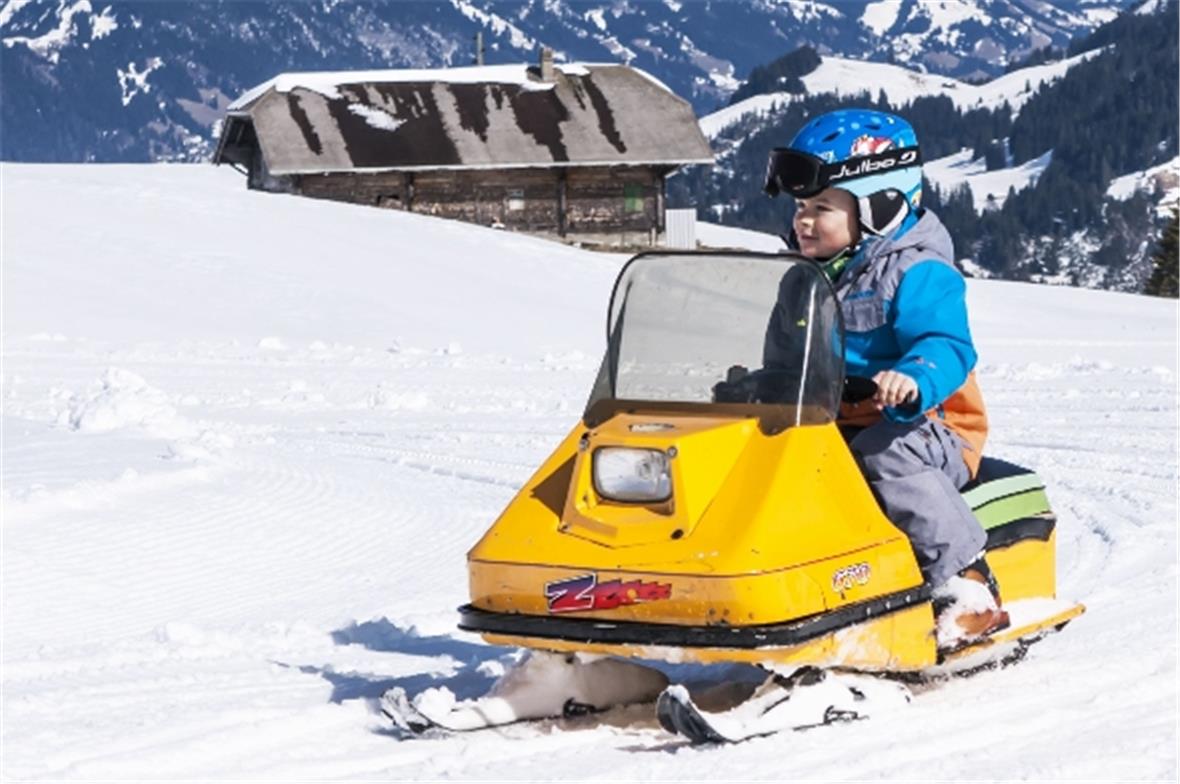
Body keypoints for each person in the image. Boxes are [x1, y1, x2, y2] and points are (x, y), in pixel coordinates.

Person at [762, 108, 1008, 648]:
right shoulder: (800, 279)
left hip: (929, 427)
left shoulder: (917, 271)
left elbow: (947, 345)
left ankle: (967, 588)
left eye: (822, 207)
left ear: (881, 207)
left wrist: (912, 377)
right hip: (836, 420)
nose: (804, 219)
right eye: (802, 206)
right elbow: (785, 354)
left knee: (881, 454)